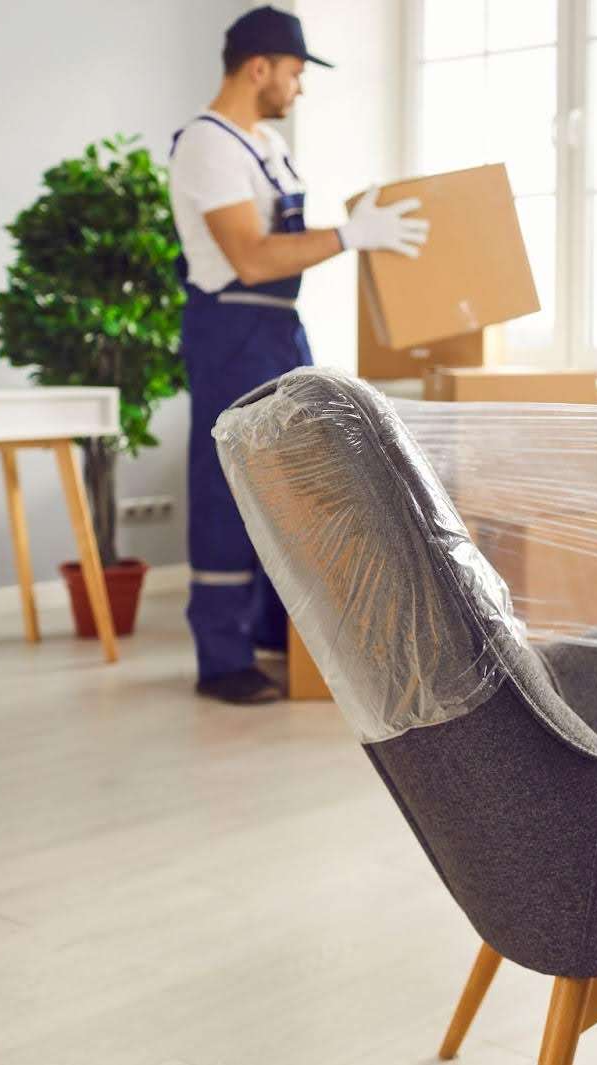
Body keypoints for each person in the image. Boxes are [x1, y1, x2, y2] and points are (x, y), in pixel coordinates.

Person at [168, 6, 428, 704]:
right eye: (294, 73)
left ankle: (271, 636)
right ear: (259, 68)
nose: (299, 88)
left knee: (286, 480)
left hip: (281, 329)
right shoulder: (207, 145)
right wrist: (349, 236)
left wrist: (353, 228)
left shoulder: (265, 145)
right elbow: (251, 257)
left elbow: (287, 245)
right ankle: (221, 658)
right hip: (230, 328)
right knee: (227, 485)